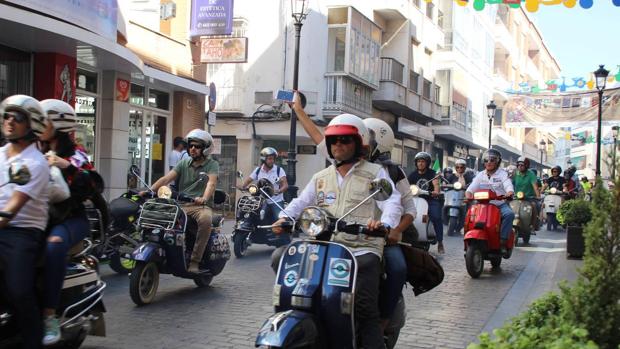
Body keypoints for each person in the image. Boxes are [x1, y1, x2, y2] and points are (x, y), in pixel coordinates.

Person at [272, 113, 402, 349]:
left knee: (364, 307)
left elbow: (392, 202)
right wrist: (283, 218)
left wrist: (384, 223)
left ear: (358, 144)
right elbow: (301, 202)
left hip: (361, 248)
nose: (338, 145)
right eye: (334, 141)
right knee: (280, 257)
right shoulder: (321, 177)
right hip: (326, 245)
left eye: (344, 140)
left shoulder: (374, 173)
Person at [38, 99, 109, 345]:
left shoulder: (75, 155)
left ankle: (49, 316)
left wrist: (64, 165)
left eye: (43, 121)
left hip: (69, 218)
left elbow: (91, 184)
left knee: (55, 245)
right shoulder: (29, 150)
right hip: (34, 217)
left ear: (58, 124)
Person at [0, 95, 50, 348]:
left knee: (19, 290)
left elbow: (14, 204)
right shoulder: (0, 155)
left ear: (31, 125)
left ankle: (33, 341)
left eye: (17, 117)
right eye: (7, 115)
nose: (10, 121)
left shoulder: (34, 162)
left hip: (21, 231)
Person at [148, 129, 218, 273]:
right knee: (153, 211)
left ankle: (195, 261)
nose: (193, 148)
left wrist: (204, 198)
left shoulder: (212, 164)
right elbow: (166, 179)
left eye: (197, 146)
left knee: (205, 220)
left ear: (205, 149)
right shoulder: (184, 162)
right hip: (179, 204)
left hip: (199, 206)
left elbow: (211, 183)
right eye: (191, 145)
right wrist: (150, 190)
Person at [466, 149, 515, 256]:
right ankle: (468, 241)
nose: (489, 162)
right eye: (486, 160)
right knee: (469, 214)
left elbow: (508, 185)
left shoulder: (502, 174)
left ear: (497, 162)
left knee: (509, 214)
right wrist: (468, 194)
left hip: (499, 204)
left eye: (492, 160)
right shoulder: (480, 175)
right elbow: (471, 187)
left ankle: (502, 240)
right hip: (481, 205)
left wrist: (509, 192)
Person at [238, 147, 288, 224]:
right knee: (251, 214)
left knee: (280, 219)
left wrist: (278, 191)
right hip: (261, 200)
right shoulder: (258, 170)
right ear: (264, 159)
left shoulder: (279, 170)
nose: (272, 161)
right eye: (270, 159)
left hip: (275, 200)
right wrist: (243, 186)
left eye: (273, 159)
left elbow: (285, 185)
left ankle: (281, 235)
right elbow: (249, 180)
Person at [407, 152, 444, 254]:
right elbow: (406, 187)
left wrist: (436, 191)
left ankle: (440, 242)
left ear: (427, 163)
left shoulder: (433, 174)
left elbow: (436, 184)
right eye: (418, 161)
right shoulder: (412, 175)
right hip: (416, 199)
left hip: (430, 199)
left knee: (436, 216)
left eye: (423, 161)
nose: (420, 164)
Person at [512, 157, 541, 230]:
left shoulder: (531, 174)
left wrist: (538, 196)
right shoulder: (515, 173)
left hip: (529, 197)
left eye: (522, 165)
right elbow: (510, 184)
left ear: (526, 166)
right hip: (516, 196)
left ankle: (532, 225)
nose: (520, 167)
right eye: (518, 165)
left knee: (534, 206)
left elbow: (535, 187)